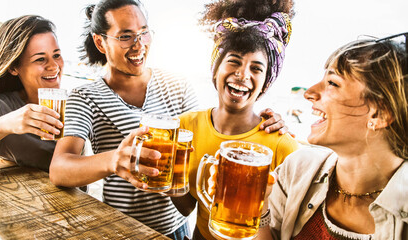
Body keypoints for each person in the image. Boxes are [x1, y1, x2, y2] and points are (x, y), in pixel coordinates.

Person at [49, 0, 288, 239]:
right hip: (119, 227)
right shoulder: (85, 96)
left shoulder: (177, 85)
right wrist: (113, 161)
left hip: (175, 231)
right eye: (125, 36)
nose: (138, 45)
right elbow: (59, 169)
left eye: (144, 32)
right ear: (100, 42)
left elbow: (190, 189)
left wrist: (261, 123)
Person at [169, 0, 299, 239]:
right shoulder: (187, 125)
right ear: (215, 69)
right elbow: (186, 207)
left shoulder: (282, 144)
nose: (242, 74)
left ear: (266, 83)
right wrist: (167, 178)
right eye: (234, 61)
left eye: (256, 69)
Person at [262, 33, 408, 239]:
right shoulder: (296, 169)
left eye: (332, 82)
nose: (309, 92)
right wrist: (257, 207)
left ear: (380, 114)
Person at [0, 15, 64, 172]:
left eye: (56, 55)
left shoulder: (75, 103)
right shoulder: (0, 108)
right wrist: (4, 125)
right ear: (13, 68)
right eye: (40, 59)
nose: (54, 66)